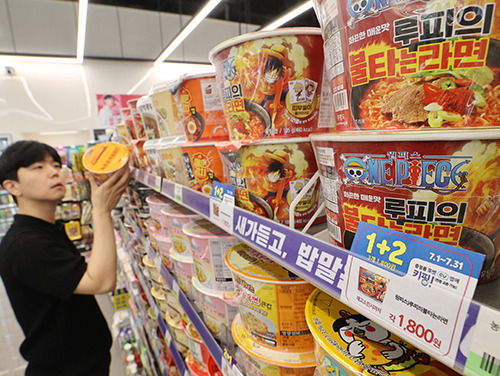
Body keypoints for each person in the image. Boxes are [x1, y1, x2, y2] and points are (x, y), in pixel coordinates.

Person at [0, 140, 131, 375]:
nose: (54, 172)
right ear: (12, 186)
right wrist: (100, 211)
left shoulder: (45, 229)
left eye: (56, 165)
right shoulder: (25, 245)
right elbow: (100, 282)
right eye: (38, 167)